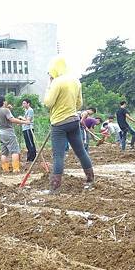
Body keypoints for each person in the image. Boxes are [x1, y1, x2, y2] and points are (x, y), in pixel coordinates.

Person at [43, 56, 94, 193]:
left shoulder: (57, 82)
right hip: (73, 121)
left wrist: (49, 85)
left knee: (58, 155)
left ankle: (55, 187)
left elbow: (48, 103)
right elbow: (79, 104)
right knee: (81, 151)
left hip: (59, 124)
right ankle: (90, 179)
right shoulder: (76, 81)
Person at [0, 96, 29, 173]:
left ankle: (5, 169)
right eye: (5, 101)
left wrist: (8, 108)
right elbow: (12, 119)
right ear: (3, 102)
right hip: (9, 133)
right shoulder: (6, 110)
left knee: (4, 153)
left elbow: (4, 116)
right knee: (15, 151)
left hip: (1, 133)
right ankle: (16, 169)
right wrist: (25, 122)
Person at [21, 99, 36, 163]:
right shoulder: (26, 110)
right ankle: (29, 157)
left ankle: (32, 158)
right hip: (25, 128)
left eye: (24, 103)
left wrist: (21, 118)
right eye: (23, 103)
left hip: (28, 129)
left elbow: (28, 121)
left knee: (30, 143)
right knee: (27, 144)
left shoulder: (30, 110)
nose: (23, 105)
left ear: (28, 104)